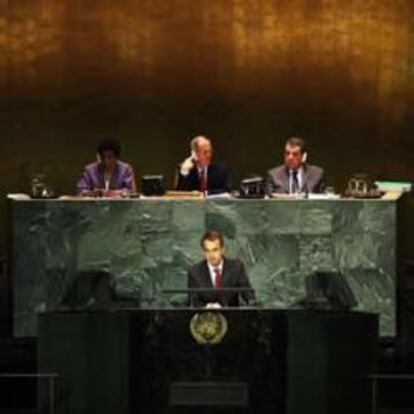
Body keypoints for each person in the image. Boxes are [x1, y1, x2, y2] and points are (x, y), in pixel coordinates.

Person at [187, 230, 255, 307]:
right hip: (205, 317)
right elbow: (193, 301)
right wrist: (207, 307)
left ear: (222, 250)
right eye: (207, 251)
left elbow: (248, 295)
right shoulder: (195, 272)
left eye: (215, 250)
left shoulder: (236, 268)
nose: (211, 255)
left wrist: (251, 303)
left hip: (231, 317)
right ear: (203, 252)